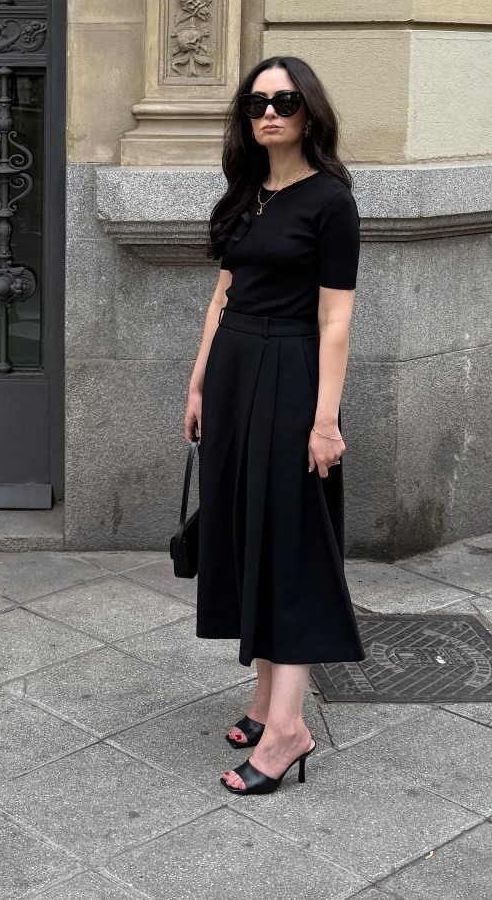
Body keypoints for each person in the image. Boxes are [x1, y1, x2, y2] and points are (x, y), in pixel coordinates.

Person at [184, 53, 365, 796]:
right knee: (245, 531)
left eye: (284, 101)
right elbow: (221, 296)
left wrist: (323, 421)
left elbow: (336, 319)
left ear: (309, 113)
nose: (269, 113)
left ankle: (289, 728)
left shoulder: (331, 201)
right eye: (257, 102)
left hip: (292, 376)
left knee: (287, 543)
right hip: (232, 373)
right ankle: (265, 704)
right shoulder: (246, 194)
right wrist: (197, 383)